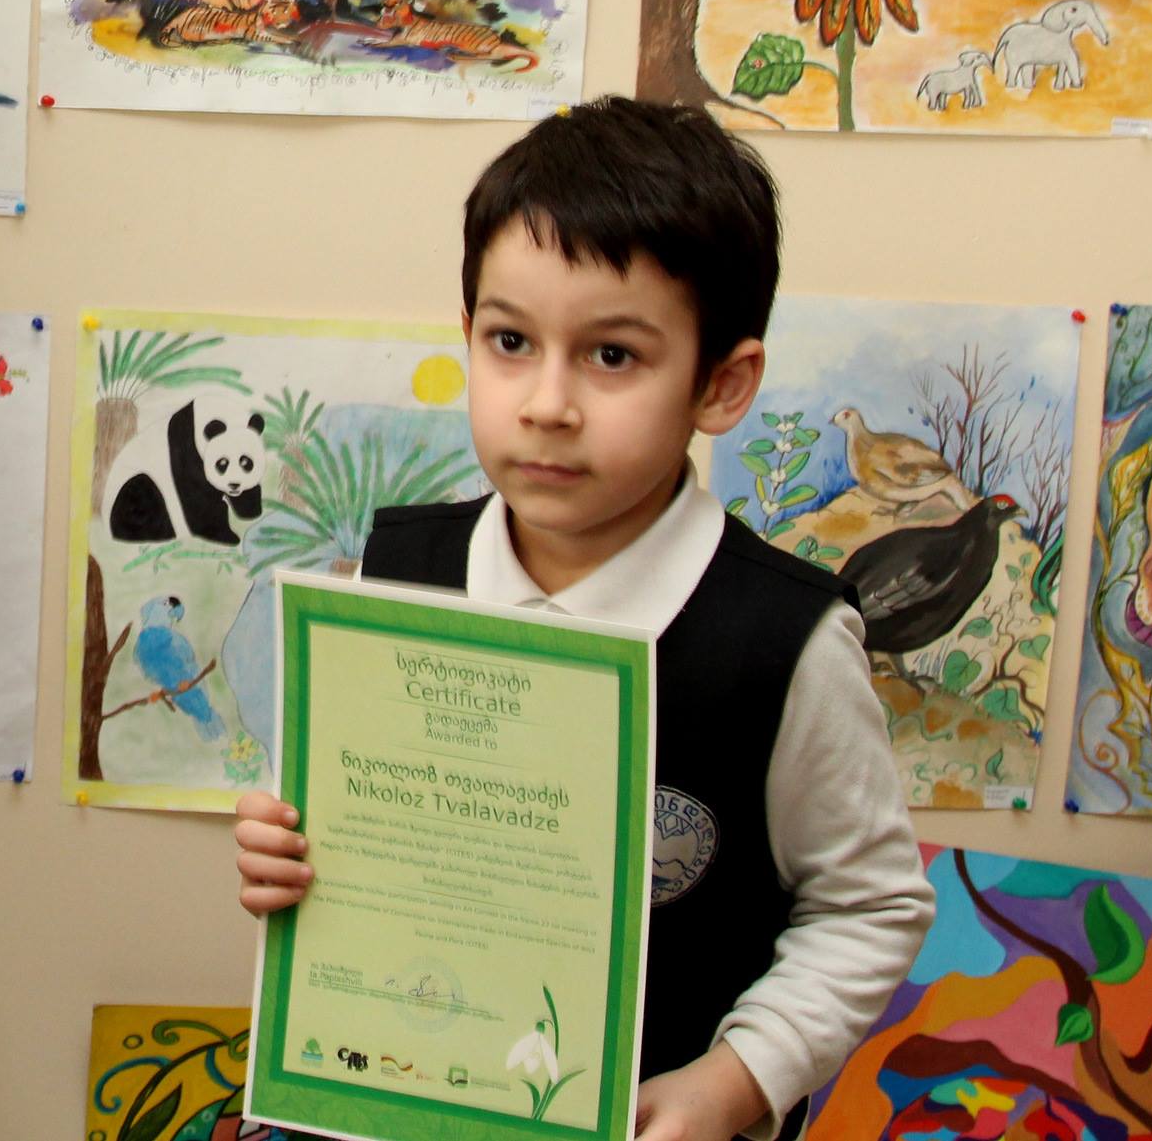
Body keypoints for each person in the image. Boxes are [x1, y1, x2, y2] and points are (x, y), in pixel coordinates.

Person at [235, 95, 935, 1141]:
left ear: (720, 383)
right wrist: (279, 847)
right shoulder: (392, 576)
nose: (545, 403)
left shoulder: (784, 641)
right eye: (509, 340)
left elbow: (869, 904)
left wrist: (732, 1082)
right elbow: (340, 826)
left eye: (611, 355)